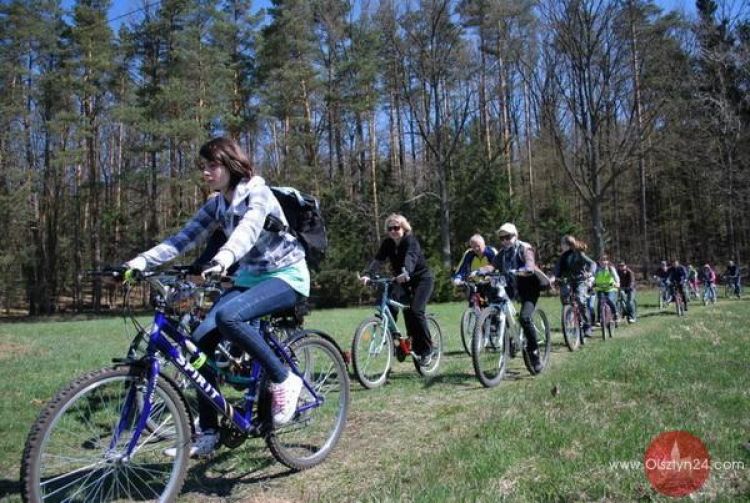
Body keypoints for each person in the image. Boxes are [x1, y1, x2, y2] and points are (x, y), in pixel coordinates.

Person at [125, 137, 309, 457]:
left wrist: (222, 259)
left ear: (231, 165)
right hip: (251, 278)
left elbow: (247, 232)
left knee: (228, 317)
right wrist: (141, 261)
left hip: (287, 276)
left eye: (213, 166)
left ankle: (284, 378)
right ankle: (209, 431)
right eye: (203, 167)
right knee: (198, 344)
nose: (206, 173)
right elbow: (182, 238)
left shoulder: (258, 193)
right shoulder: (217, 204)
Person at [360, 214, 435, 365]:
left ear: (404, 227)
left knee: (415, 311)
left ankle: (427, 350)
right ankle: (397, 342)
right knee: (388, 305)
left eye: (396, 227)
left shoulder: (410, 240)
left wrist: (406, 271)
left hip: (421, 279)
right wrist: (368, 274)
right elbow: (378, 260)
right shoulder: (388, 243)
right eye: (390, 228)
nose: (393, 231)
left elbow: (411, 258)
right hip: (402, 280)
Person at [477, 222, 549, 373]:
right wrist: (481, 271)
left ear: (515, 236)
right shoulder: (502, 254)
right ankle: (510, 339)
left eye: (507, 237)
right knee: (498, 305)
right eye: (501, 238)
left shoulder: (525, 248)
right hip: (510, 286)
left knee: (524, 318)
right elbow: (492, 266)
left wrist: (527, 269)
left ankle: (534, 353)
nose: (504, 241)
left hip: (529, 287)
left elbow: (530, 262)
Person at [551, 235, 597, 339]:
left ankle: (587, 326)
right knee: (565, 299)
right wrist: (553, 277)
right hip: (567, 280)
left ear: (567, 244)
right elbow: (557, 269)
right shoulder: (562, 256)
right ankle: (569, 317)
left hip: (580, 280)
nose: (561, 246)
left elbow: (592, 263)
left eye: (562, 244)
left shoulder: (579, 254)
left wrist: (590, 273)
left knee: (580, 300)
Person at [452, 234, 497, 306]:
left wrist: (484, 273)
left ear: (484, 244)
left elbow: (496, 266)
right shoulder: (469, 253)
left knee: (493, 306)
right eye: (473, 247)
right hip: (476, 284)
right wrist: (457, 278)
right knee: (475, 305)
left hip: (490, 283)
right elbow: (461, 268)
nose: (476, 249)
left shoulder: (491, 251)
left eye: (478, 246)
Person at [593, 255, 620, 325]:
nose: (603, 262)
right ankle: (599, 319)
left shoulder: (611, 268)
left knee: (609, 300)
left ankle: (615, 314)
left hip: (611, 288)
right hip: (600, 288)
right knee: (600, 301)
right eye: (601, 260)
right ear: (599, 261)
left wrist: (617, 283)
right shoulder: (597, 269)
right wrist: (591, 284)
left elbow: (616, 277)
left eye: (605, 260)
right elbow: (593, 278)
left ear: (607, 261)